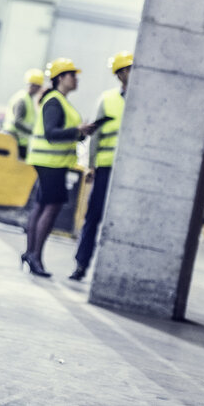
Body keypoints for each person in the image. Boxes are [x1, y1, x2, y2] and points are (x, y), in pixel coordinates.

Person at [21, 58, 92, 278]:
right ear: (60, 77)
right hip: (51, 163)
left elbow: (61, 132)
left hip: (52, 163)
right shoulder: (54, 101)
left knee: (41, 206)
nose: (76, 79)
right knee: (50, 209)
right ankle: (35, 256)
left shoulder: (59, 100)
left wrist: (80, 133)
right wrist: (77, 130)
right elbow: (52, 133)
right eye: (72, 75)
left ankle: (30, 253)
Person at [70, 51, 132, 282]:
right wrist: (91, 166)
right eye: (130, 69)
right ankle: (81, 264)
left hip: (131, 172)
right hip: (106, 168)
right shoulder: (107, 100)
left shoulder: (145, 101)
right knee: (93, 216)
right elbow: (94, 136)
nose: (134, 73)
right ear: (120, 74)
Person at [5, 68, 45, 159]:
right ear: (34, 86)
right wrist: (33, 131)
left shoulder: (29, 99)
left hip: (20, 141)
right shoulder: (22, 99)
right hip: (14, 140)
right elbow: (17, 121)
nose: (39, 89)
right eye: (38, 86)